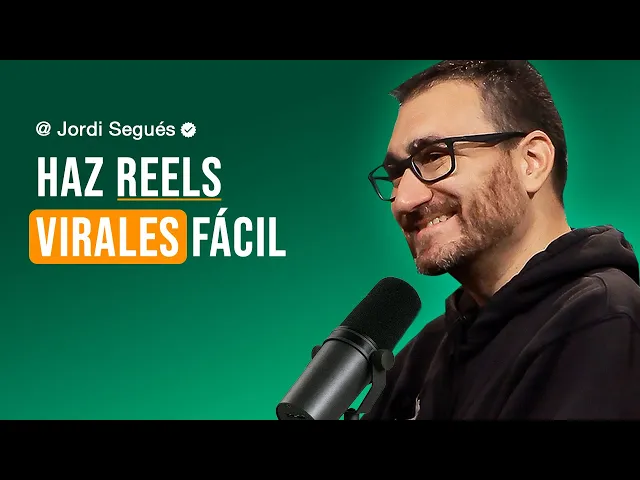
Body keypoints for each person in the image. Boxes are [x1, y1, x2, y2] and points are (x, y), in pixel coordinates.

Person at [362, 60, 640, 420]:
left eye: (434, 156)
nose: (404, 201)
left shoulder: (601, 320)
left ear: (531, 161)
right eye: (396, 175)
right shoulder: (423, 357)